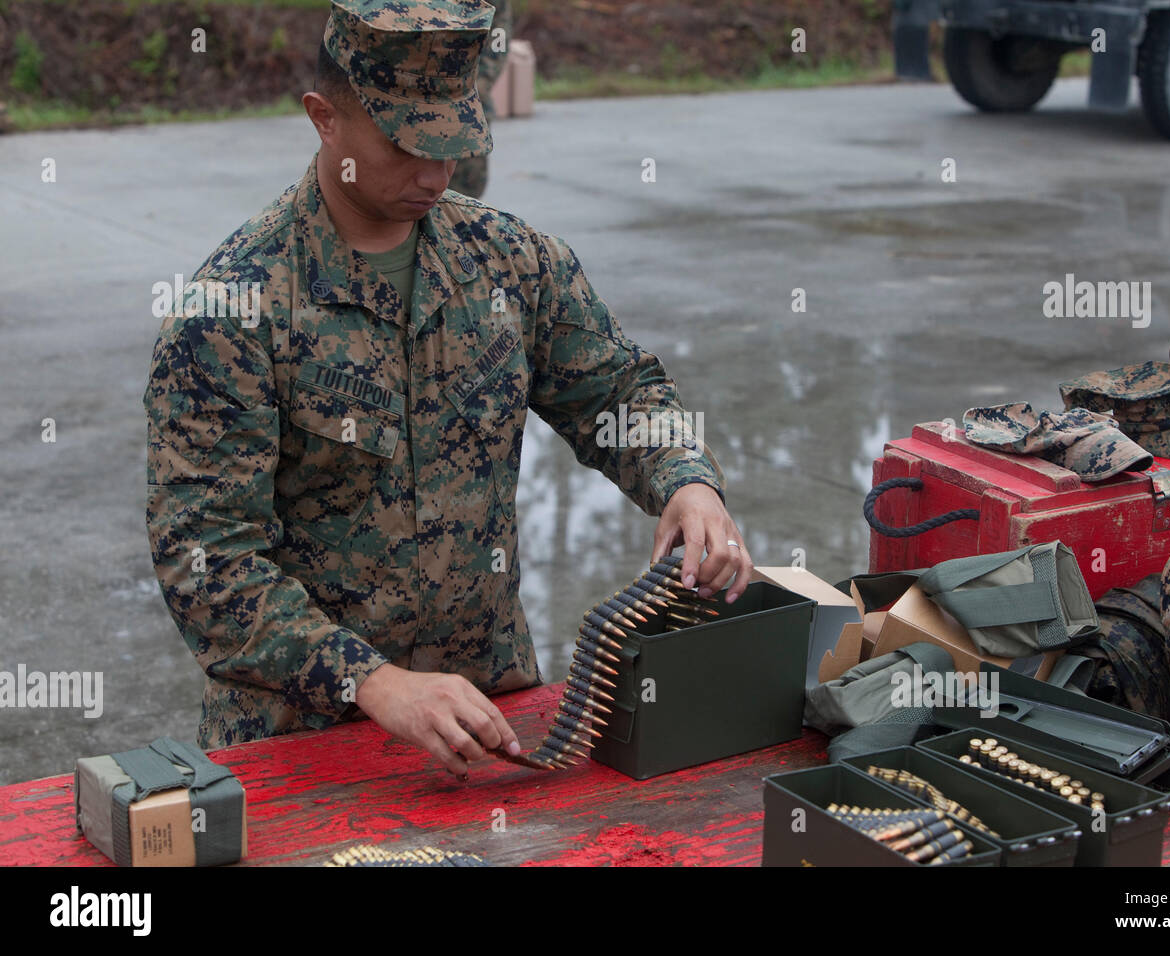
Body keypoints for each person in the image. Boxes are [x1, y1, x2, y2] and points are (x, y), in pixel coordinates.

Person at [143, 0, 751, 780]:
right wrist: (374, 683)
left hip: (490, 729)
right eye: (405, 147)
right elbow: (207, 561)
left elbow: (616, 390)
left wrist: (686, 482)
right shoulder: (233, 311)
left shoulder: (510, 262)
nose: (436, 175)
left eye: (456, 146)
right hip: (301, 747)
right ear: (324, 119)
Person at [447, 0, 510, 198]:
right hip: (409, 97)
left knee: (468, 189)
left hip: (468, 99)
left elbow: (500, 34)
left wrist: (482, 79)